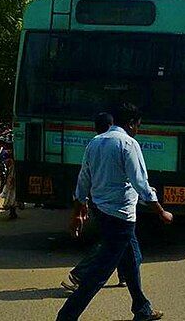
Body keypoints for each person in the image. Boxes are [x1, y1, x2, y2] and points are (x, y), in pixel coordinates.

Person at [56, 103, 173, 321]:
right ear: (130, 124)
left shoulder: (95, 142)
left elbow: (83, 179)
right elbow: (141, 184)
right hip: (122, 216)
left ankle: (142, 308)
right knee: (100, 272)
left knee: (132, 260)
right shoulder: (128, 144)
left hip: (102, 211)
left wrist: (78, 210)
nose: (138, 129)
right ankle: (66, 316)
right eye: (137, 125)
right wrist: (161, 211)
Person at [61, 112, 127, 290]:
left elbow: (85, 178)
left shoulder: (95, 144)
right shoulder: (116, 144)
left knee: (125, 241)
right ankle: (80, 275)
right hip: (113, 205)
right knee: (111, 242)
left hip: (104, 202)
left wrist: (81, 204)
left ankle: (126, 276)